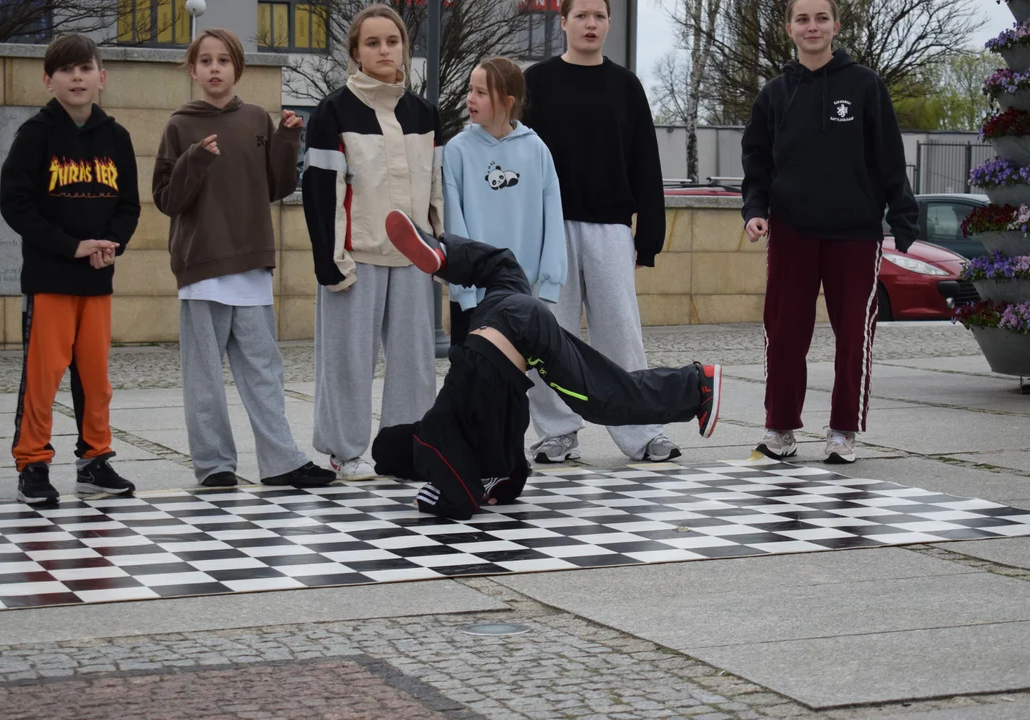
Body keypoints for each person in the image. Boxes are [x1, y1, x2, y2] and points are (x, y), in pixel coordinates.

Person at [371, 210, 722, 521]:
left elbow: (461, 500)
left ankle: (695, 384)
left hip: (512, 339)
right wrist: (497, 486)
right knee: (502, 266)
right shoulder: (477, 428)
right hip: (507, 306)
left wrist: (433, 496)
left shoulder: (432, 437)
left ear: (411, 458)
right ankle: (446, 254)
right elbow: (514, 474)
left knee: (602, 398)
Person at [152, 28, 334, 489]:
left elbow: (276, 187)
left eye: (224, 60)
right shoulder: (179, 125)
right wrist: (194, 160)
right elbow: (166, 199)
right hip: (203, 268)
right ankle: (214, 466)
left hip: (252, 265)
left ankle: (281, 463)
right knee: (205, 377)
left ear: (237, 68)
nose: (215, 68)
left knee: (264, 371)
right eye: (205, 61)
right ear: (193, 70)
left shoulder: (256, 118)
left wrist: (289, 140)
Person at [740, 0, 918, 464]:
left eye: (821, 18)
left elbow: (888, 157)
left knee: (853, 336)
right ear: (789, 29)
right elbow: (757, 162)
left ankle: (842, 432)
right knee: (784, 333)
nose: (812, 26)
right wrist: (755, 209)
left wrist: (903, 216)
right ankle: (780, 428)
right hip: (793, 232)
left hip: (855, 234)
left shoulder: (865, 86)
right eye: (803, 19)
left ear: (836, 26)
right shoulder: (774, 94)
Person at [522, 0, 674, 466]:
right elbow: (520, 158)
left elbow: (646, 162)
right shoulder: (537, 83)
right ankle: (556, 433)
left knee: (620, 333)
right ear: (563, 21)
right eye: (581, 15)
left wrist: (649, 235)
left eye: (600, 16)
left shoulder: (625, 86)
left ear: (608, 23)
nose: (591, 24)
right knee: (551, 336)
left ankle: (642, 432)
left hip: (610, 228)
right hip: (550, 231)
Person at [302, 4, 442, 481]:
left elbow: (437, 191)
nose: (384, 50)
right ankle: (346, 451)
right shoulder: (332, 113)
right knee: (347, 362)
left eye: (392, 41)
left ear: (404, 47)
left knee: (415, 365)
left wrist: (440, 250)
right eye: (373, 43)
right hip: (354, 260)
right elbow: (321, 194)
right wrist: (329, 261)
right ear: (356, 53)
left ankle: (408, 447)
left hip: (412, 261)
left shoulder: (425, 114)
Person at [0, 35, 140, 505]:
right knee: (43, 377)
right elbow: (15, 205)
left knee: (95, 376)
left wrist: (110, 246)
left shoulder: (116, 137)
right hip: (49, 280)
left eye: (85, 69)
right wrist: (71, 246)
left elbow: (128, 206)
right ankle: (33, 464)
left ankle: (94, 462)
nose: (76, 77)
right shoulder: (35, 134)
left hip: (97, 280)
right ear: (48, 79)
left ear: (102, 77)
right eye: (65, 70)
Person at [442, 56, 566, 345]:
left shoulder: (536, 150)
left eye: (481, 93)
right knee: (470, 376)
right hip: (473, 294)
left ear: (509, 101)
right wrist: (464, 290)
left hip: (522, 293)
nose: (470, 99)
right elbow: (454, 223)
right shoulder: (457, 151)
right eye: (470, 90)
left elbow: (553, 218)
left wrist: (549, 283)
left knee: (515, 378)